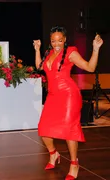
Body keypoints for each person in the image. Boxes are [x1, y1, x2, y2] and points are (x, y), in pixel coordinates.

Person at [33, 26, 103, 180]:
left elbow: (90, 67)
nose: (56, 43)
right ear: (50, 41)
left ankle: (74, 163)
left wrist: (96, 49)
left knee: (68, 130)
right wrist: (37, 49)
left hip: (69, 95)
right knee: (44, 128)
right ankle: (53, 154)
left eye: (59, 40)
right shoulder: (49, 53)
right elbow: (40, 67)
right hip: (52, 95)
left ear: (65, 39)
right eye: (53, 41)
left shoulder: (71, 52)